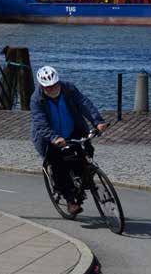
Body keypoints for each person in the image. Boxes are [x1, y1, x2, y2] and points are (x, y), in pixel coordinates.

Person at [31, 66, 108, 216]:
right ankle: (70, 200)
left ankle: (84, 178)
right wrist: (54, 138)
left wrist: (97, 122)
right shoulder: (36, 99)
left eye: (54, 85)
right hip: (50, 137)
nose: (52, 89)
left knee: (86, 152)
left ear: (59, 82)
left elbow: (85, 104)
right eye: (48, 87)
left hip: (73, 130)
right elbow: (40, 123)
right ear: (41, 86)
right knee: (59, 165)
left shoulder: (69, 89)